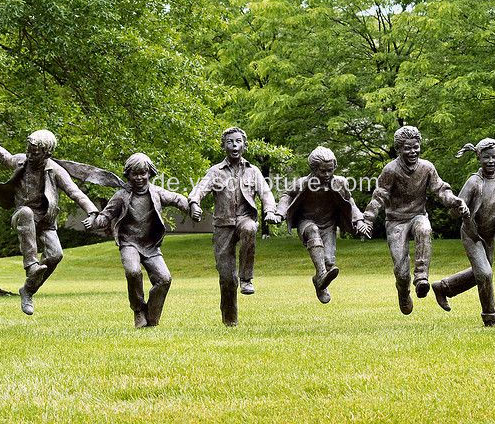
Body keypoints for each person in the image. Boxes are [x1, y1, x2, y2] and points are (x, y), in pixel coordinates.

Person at [0, 116, 99, 315]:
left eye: (35, 152)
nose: (29, 154)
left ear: (47, 153)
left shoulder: (55, 170)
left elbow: (75, 192)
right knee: (27, 212)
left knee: (56, 255)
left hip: (45, 221)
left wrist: (92, 211)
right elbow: (2, 154)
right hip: (22, 215)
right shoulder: (21, 161)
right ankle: (30, 264)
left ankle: (28, 291)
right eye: (29, 150)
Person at [364, 126, 469, 315]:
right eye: (407, 148)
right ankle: (403, 292)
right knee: (401, 271)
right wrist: (368, 218)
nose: (413, 152)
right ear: (399, 149)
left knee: (425, 229)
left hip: (418, 216)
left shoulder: (427, 167)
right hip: (395, 221)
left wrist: (455, 201)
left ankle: (421, 278)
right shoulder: (390, 170)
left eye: (416, 147)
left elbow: (440, 189)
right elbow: (379, 195)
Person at [432, 138, 495, 327]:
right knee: (485, 274)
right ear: (479, 157)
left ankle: (444, 287)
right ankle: (490, 318)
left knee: (481, 273)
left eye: (494, 157)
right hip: (472, 234)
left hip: (489, 235)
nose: (491, 161)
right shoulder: (473, 182)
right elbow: (454, 210)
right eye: (486, 157)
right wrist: (460, 208)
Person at [84, 153, 189, 328]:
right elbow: (106, 215)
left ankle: (152, 314)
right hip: (129, 242)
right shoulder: (121, 196)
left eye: (143, 173)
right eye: (135, 174)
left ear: (149, 173)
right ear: (128, 175)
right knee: (133, 272)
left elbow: (177, 198)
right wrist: (94, 221)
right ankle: (139, 310)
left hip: (150, 244)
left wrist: (191, 207)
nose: (139, 178)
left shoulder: (157, 193)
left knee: (164, 279)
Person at [188, 127, 279, 326]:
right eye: (230, 142)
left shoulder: (253, 171)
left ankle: (247, 279)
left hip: (245, 218)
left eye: (238, 141)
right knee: (227, 277)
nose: (234, 145)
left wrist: (270, 211)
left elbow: (266, 194)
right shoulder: (215, 171)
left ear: (245, 146)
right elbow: (199, 190)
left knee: (250, 228)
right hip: (223, 225)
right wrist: (194, 204)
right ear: (223, 146)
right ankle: (230, 321)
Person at [276, 146, 370, 303]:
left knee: (329, 262)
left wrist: (359, 220)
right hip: (306, 222)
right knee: (312, 230)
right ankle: (321, 275)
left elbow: (350, 202)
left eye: (330, 170)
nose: (327, 175)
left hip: (328, 225)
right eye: (322, 171)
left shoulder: (340, 183)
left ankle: (319, 282)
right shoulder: (303, 183)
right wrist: (279, 213)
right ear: (313, 169)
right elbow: (286, 196)